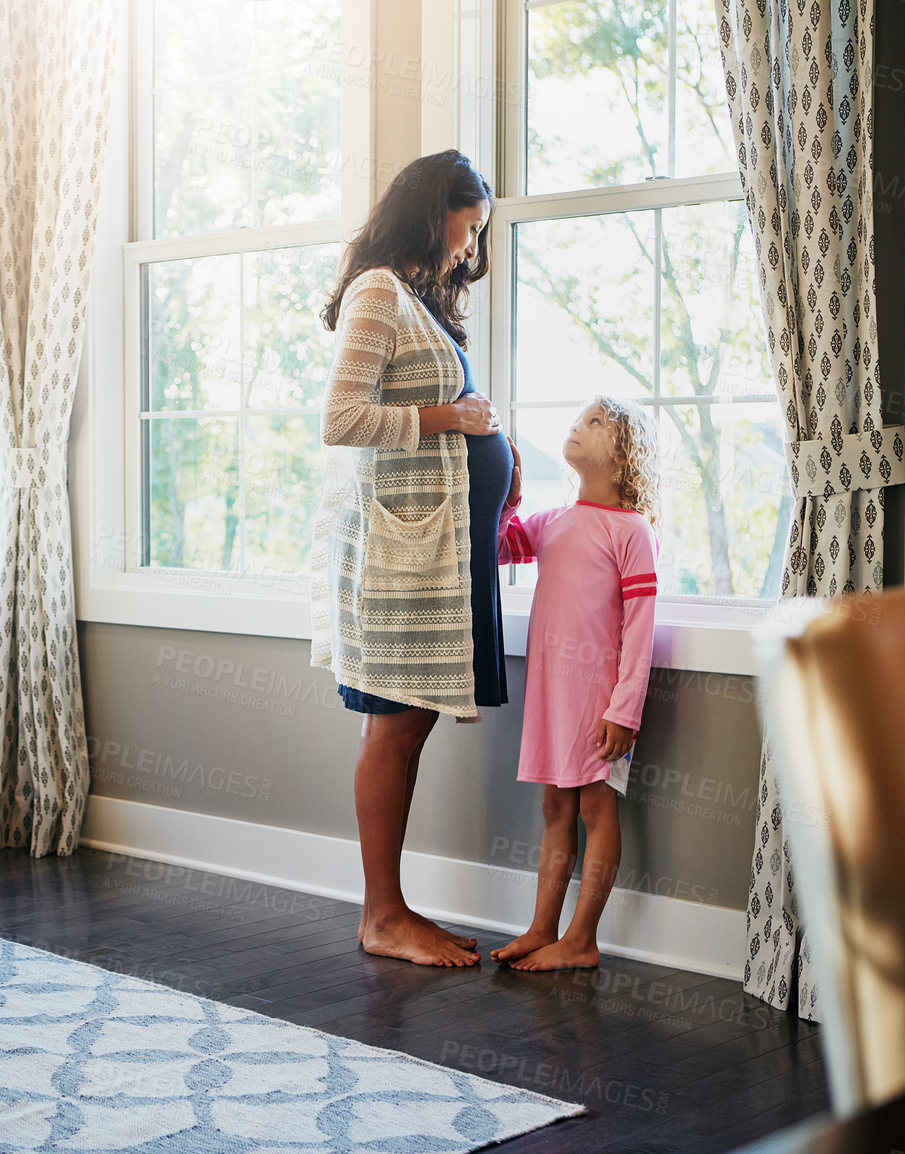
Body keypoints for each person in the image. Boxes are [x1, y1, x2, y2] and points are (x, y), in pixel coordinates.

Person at [309, 150, 517, 967]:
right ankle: (383, 917)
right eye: (469, 228)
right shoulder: (376, 293)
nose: (470, 248)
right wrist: (452, 421)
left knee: (410, 724)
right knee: (394, 727)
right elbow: (343, 420)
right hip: (401, 556)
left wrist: (497, 446)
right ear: (437, 211)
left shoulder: (417, 302)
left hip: (436, 549)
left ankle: (390, 911)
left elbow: (445, 416)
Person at [488, 396, 661, 972]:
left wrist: (625, 709)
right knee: (554, 807)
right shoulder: (553, 520)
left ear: (621, 457)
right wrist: (507, 493)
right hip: (551, 698)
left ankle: (582, 940)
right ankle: (543, 928)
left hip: (600, 699)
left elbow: (640, 629)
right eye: (578, 419)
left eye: (595, 423)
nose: (577, 427)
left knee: (596, 809)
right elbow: (499, 545)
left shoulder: (633, 531)